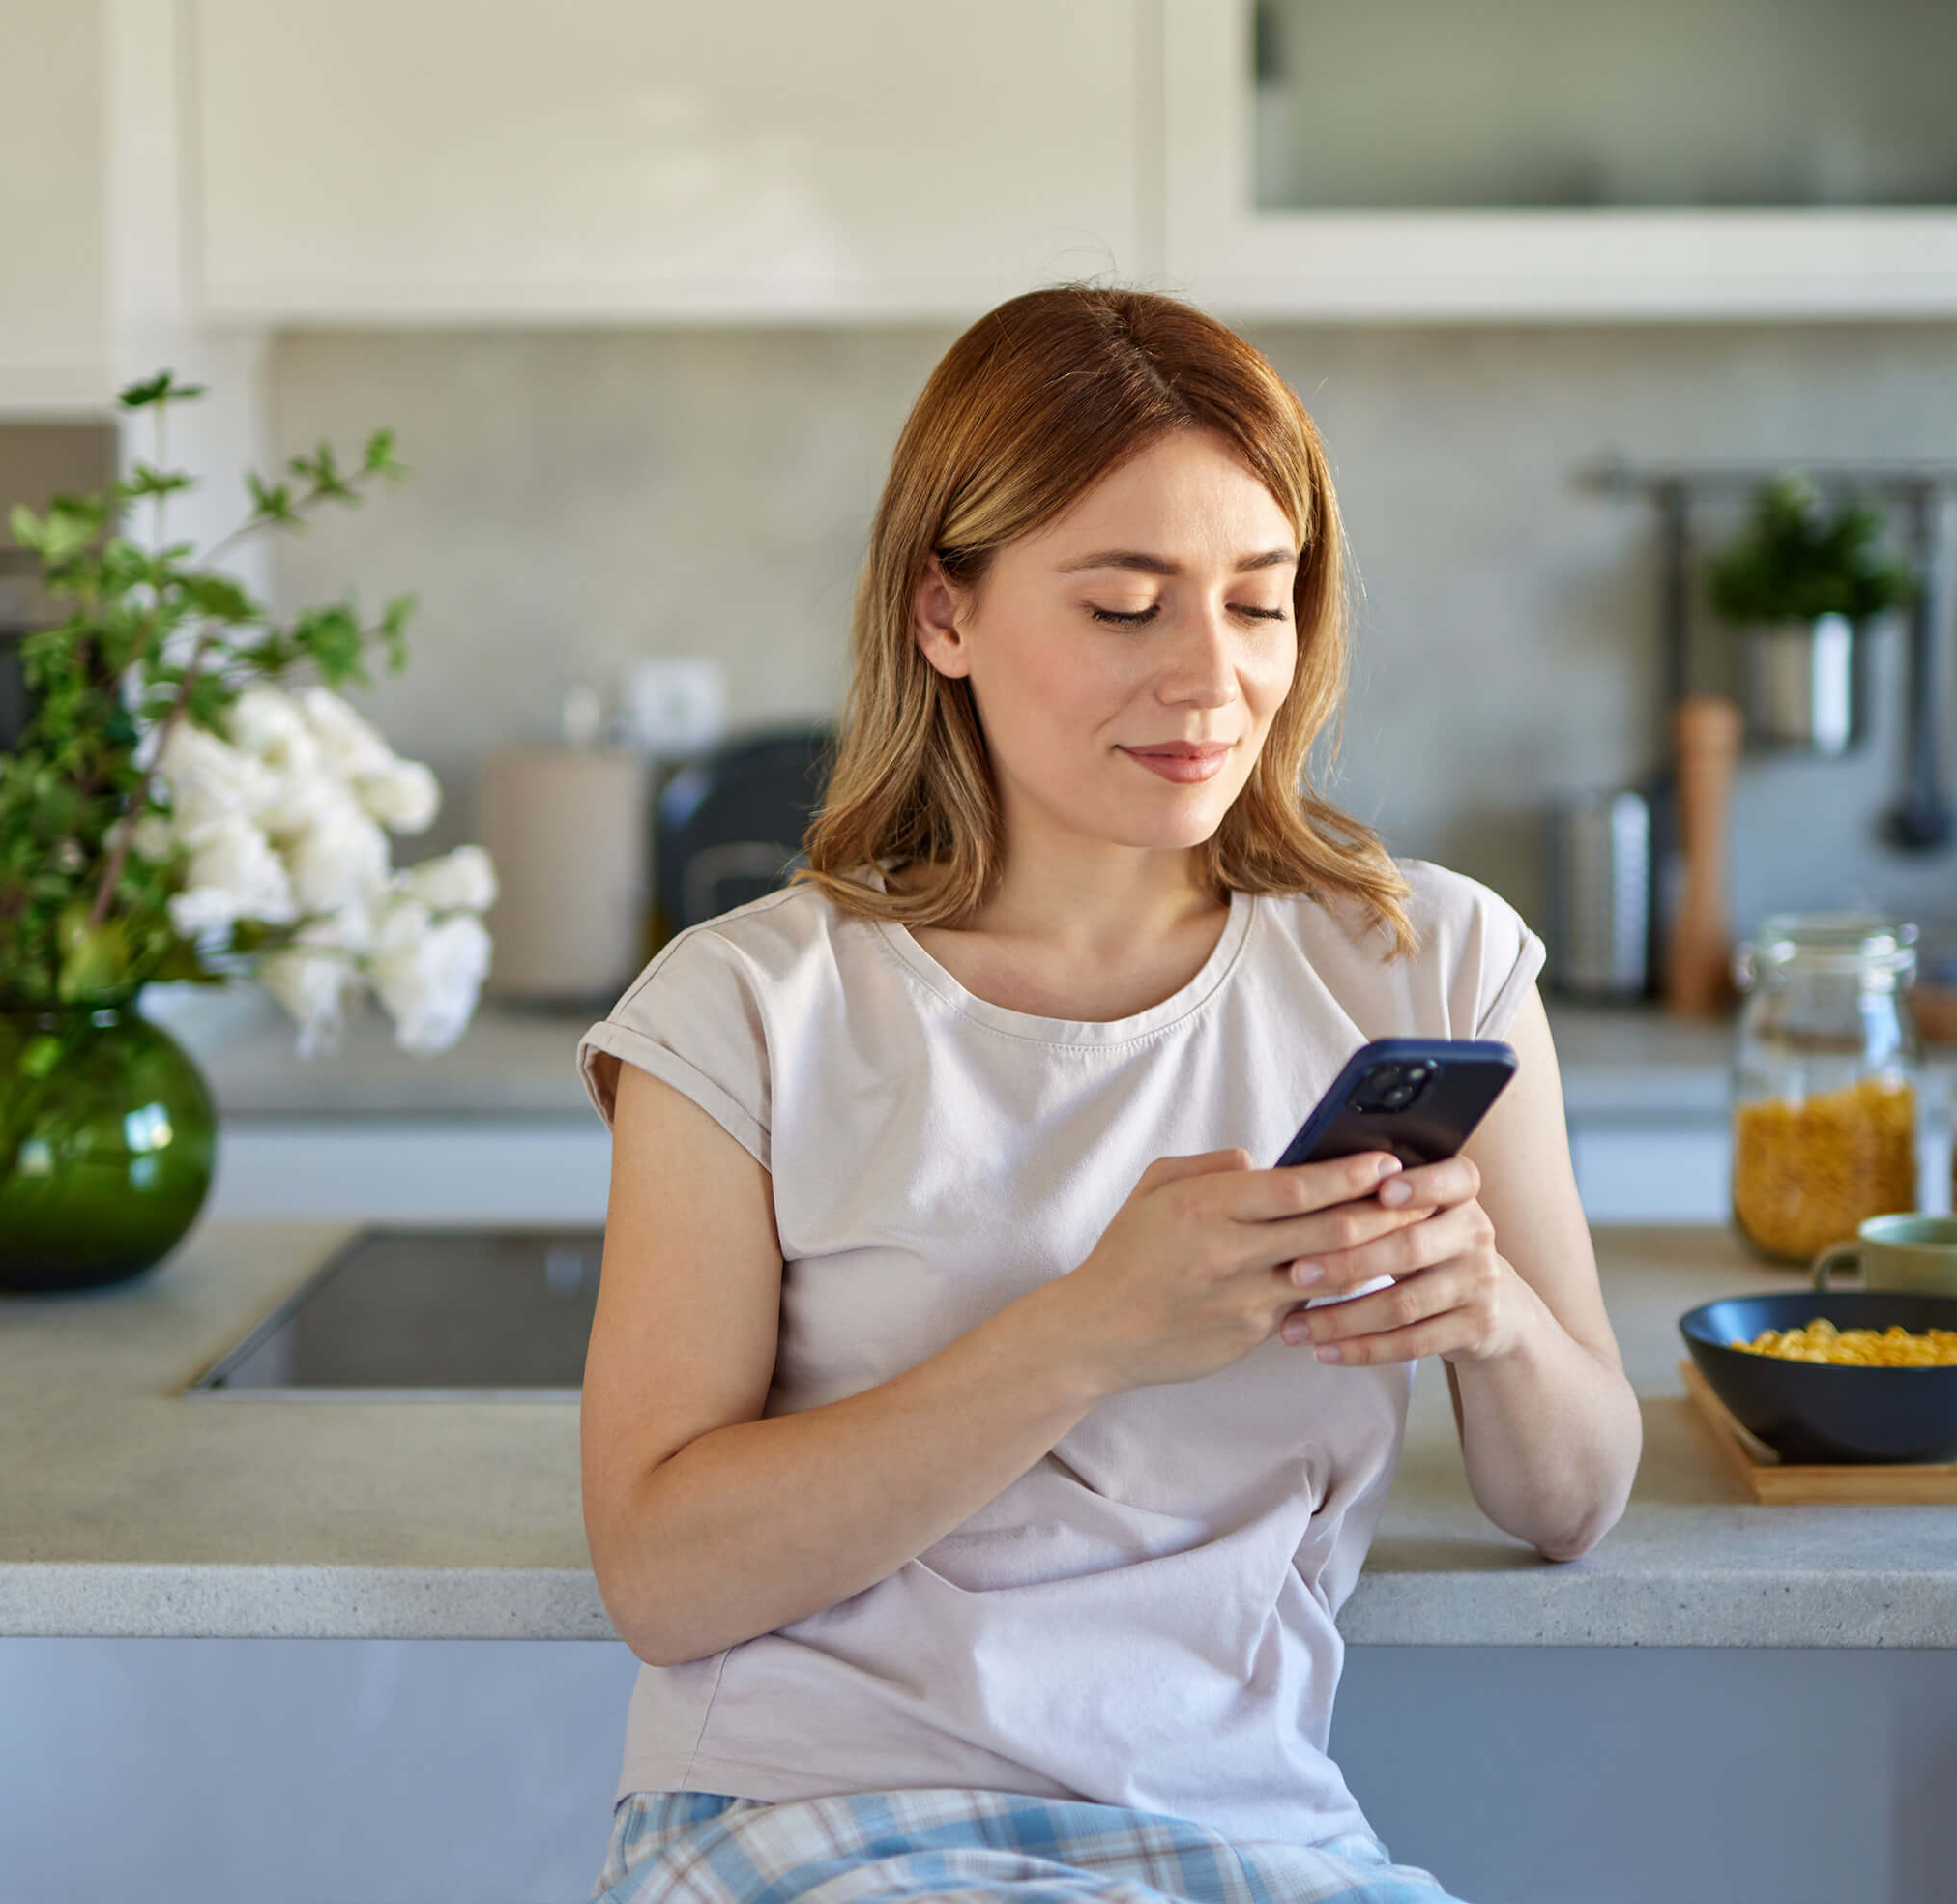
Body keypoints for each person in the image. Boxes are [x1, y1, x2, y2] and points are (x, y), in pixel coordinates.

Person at [574, 286, 1641, 1904]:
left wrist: (1489, 1315)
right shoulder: (745, 1009)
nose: (1211, 680)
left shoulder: (1428, 963)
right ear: (944, 614)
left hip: (1247, 1834)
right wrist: (1089, 1331)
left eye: (1259, 603)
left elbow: (1573, 1500)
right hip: (816, 1814)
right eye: (1125, 607)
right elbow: (659, 1575)